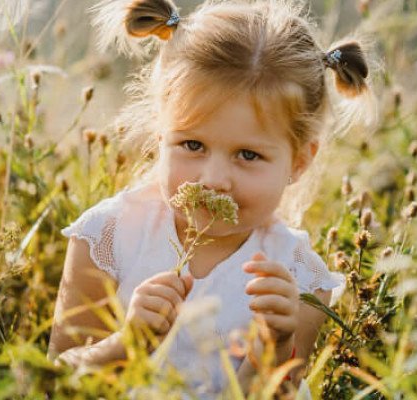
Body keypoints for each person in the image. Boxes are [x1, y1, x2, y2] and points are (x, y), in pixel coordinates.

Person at [47, 0, 374, 397]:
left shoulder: (297, 276)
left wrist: (274, 347)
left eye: (248, 155)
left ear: (299, 161)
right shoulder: (108, 235)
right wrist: (125, 345)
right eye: (192, 144)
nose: (214, 180)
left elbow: (270, 393)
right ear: (160, 136)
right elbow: (53, 380)